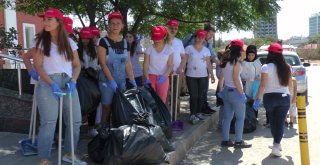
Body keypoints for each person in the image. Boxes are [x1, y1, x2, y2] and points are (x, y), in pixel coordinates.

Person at [32, 8, 87, 165]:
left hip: (69, 82)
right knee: (49, 121)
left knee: (75, 121)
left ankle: (69, 153)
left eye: (50, 19)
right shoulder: (40, 41)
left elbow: (77, 65)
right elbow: (38, 66)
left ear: (59, 22)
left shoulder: (70, 43)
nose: (45, 22)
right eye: (45, 19)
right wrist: (52, 84)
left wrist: (74, 81)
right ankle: (44, 158)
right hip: (48, 82)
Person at [97, 11, 136, 126]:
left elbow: (128, 63)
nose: (115, 26)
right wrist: (111, 81)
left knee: (120, 109)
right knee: (107, 108)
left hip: (121, 81)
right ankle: (103, 133)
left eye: (118, 23)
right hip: (107, 82)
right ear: (109, 25)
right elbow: (103, 64)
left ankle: (117, 135)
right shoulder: (103, 41)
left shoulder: (125, 43)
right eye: (112, 23)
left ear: (122, 26)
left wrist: (132, 80)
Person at [253, 43, 292, 157]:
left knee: (273, 122)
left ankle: (276, 144)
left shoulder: (266, 67)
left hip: (269, 98)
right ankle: (276, 144)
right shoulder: (287, 67)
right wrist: (291, 99)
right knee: (280, 123)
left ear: (270, 53)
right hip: (284, 97)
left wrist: (257, 99)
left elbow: (262, 85)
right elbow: (290, 85)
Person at [218, 39, 252, 148]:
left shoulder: (225, 62)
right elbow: (236, 79)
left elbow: (222, 78)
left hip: (226, 91)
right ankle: (238, 141)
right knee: (240, 118)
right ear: (239, 50)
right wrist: (242, 94)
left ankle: (225, 140)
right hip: (236, 93)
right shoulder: (236, 63)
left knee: (227, 118)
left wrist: (220, 90)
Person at [183, 24, 217, 114]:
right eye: (210, 34)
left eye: (212, 36)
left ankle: (201, 109)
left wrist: (213, 74)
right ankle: (193, 113)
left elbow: (210, 59)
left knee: (202, 93)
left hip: (203, 73)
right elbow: (182, 54)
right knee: (194, 95)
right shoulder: (189, 41)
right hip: (190, 72)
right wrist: (182, 71)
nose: (210, 37)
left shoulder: (207, 46)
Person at [78, 27, 99, 137]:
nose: (85, 41)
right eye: (83, 38)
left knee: (94, 102)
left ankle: (91, 127)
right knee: (81, 102)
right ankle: (78, 127)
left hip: (93, 78)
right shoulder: (77, 49)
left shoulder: (96, 49)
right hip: (81, 79)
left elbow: (99, 64)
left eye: (87, 38)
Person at [143, 25, 173, 103]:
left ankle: (161, 115)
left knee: (161, 101)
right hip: (150, 77)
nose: (156, 40)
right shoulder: (149, 49)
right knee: (151, 101)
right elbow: (145, 66)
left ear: (164, 36)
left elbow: (170, 66)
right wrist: (146, 78)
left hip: (163, 77)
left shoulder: (169, 49)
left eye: (158, 38)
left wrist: (164, 76)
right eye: (155, 38)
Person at [166, 19, 186, 120]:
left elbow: (184, 57)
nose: (173, 30)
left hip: (176, 73)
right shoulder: (162, 40)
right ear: (167, 28)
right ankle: (164, 116)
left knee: (176, 96)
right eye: (171, 28)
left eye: (175, 28)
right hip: (164, 73)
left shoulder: (179, 41)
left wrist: (181, 68)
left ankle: (175, 116)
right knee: (165, 95)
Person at [241, 45, 261, 117]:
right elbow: (242, 75)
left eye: (252, 55)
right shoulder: (244, 63)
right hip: (248, 84)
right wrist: (250, 78)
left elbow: (260, 72)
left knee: (255, 100)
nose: (250, 57)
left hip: (256, 84)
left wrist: (259, 76)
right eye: (249, 55)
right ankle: (249, 117)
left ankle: (255, 116)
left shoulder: (257, 62)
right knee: (248, 100)